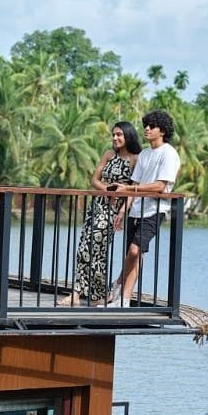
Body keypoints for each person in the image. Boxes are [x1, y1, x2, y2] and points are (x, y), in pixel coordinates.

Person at [110, 109, 179, 306]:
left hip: (154, 210)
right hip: (135, 209)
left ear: (162, 131)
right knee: (133, 255)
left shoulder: (169, 154)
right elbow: (136, 182)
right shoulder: (145, 154)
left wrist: (130, 188)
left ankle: (117, 288)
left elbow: (160, 186)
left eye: (152, 126)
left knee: (134, 251)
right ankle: (122, 300)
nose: (147, 129)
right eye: (145, 126)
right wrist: (123, 211)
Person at [71, 121, 140, 304]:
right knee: (83, 248)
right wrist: (108, 191)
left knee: (96, 250)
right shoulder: (108, 155)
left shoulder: (135, 159)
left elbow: (134, 189)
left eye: (119, 135)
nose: (115, 138)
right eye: (113, 135)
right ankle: (79, 294)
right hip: (97, 205)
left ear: (128, 136)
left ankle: (97, 295)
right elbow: (95, 180)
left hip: (113, 211)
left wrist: (123, 211)